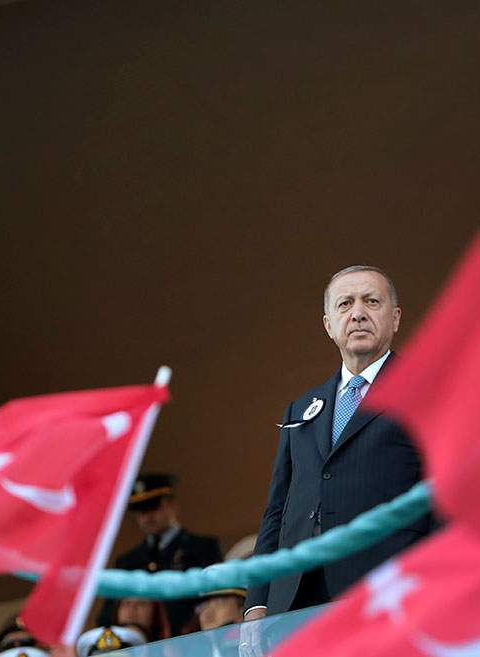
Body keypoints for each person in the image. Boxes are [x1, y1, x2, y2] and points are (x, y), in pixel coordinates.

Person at [244, 265, 434, 622]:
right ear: (329, 325)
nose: (357, 313)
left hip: (390, 589)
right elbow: (277, 511)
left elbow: (446, 493)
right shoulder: (302, 407)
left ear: (395, 318)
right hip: (297, 595)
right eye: (345, 304)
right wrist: (257, 599)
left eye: (371, 301)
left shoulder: (428, 390)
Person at [99, 473, 223, 633]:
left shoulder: (202, 548)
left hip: (190, 639)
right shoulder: (127, 561)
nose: (147, 516)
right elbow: (107, 615)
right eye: (141, 511)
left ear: (172, 505)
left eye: (153, 507)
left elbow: (217, 600)